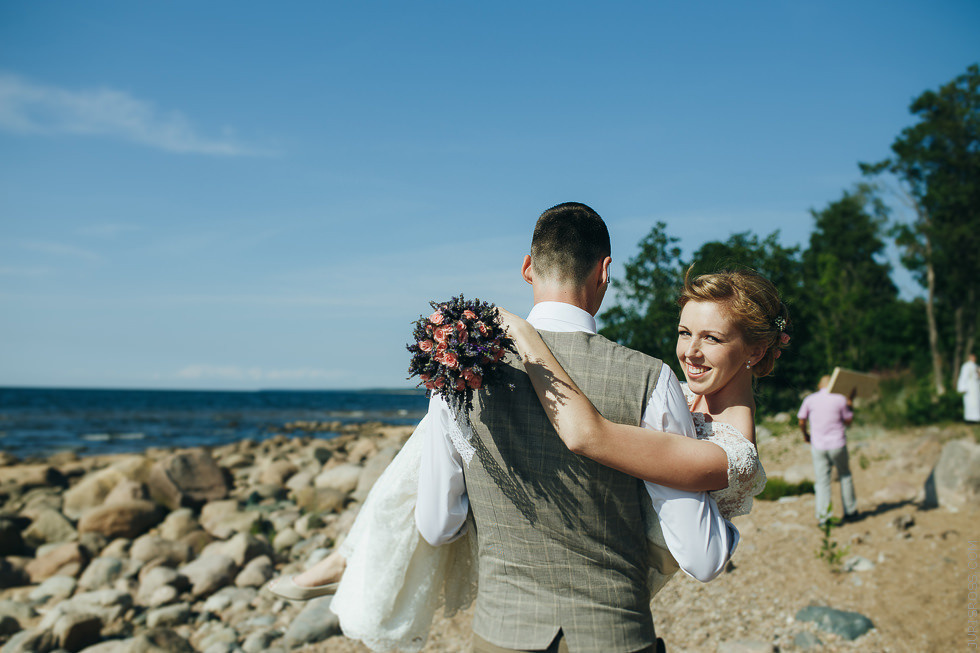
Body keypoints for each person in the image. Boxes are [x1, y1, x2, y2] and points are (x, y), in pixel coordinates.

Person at [271, 203, 740, 651]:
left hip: (504, 633)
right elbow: (700, 557)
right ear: (605, 270)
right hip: (616, 634)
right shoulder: (650, 378)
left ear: (527, 268)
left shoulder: (460, 376)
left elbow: (437, 526)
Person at [798, 375, 857, 524]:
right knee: (845, 476)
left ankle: (824, 517)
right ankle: (850, 512)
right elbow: (848, 421)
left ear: (819, 385)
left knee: (822, 482)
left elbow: (801, 420)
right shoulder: (840, 399)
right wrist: (850, 403)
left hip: (818, 445)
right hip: (837, 444)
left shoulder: (810, 399)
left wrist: (806, 435)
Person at [957, 353, 980, 423]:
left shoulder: (976, 366)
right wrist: (962, 387)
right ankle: (969, 419)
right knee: (969, 402)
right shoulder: (966, 366)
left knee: (977, 403)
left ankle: (976, 418)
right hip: (969, 387)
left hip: (976, 387)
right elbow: (963, 377)